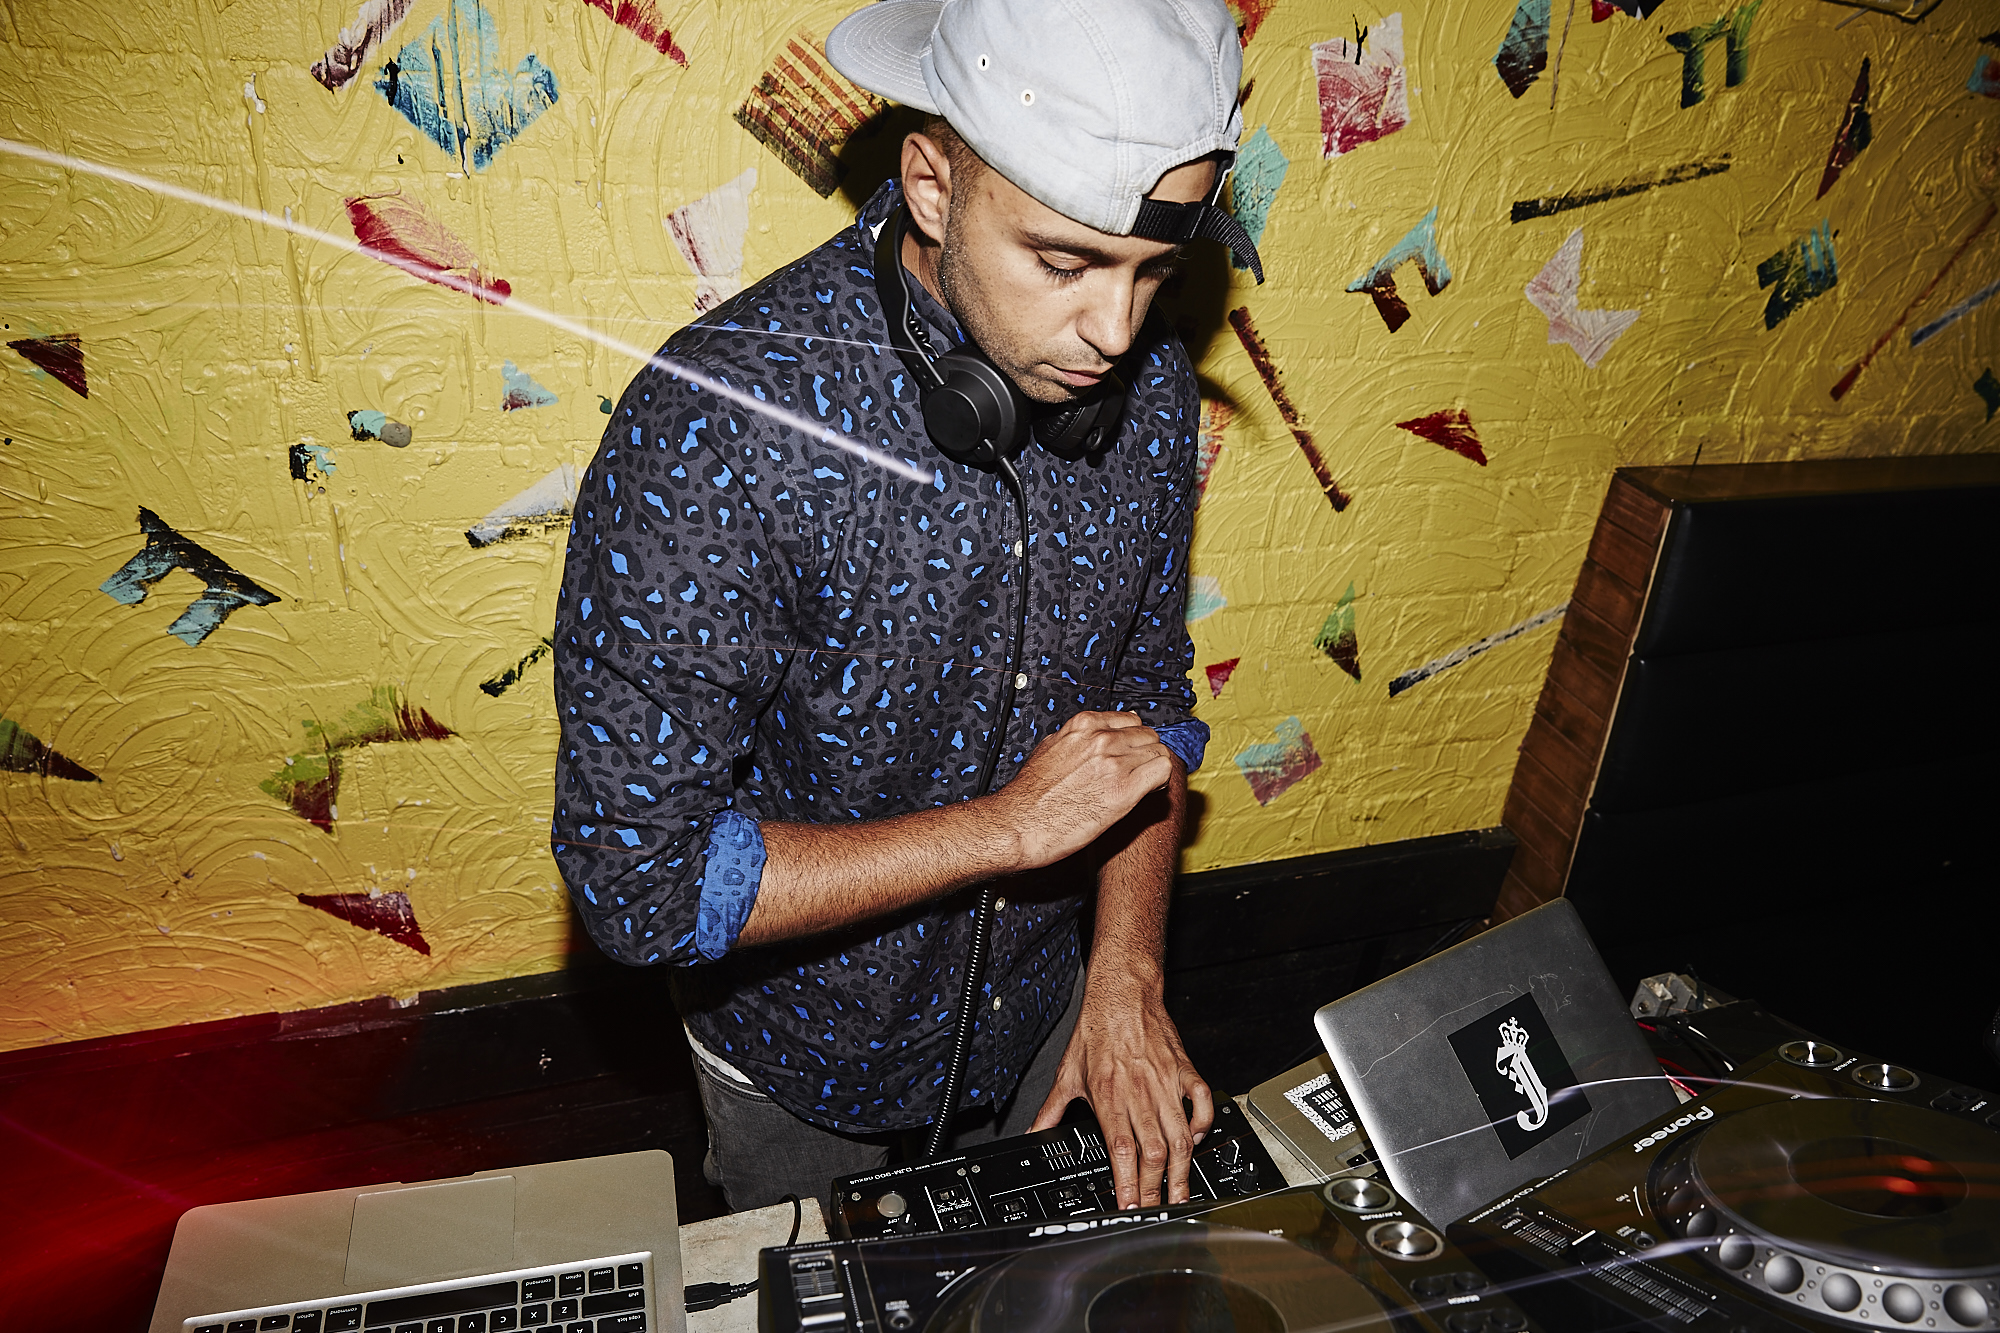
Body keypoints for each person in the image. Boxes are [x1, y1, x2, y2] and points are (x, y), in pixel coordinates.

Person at [550, 0, 1264, 1215]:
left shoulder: (1143, 391)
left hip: (1047, 1025)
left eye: (1154, 272)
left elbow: (1144, 708)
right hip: (803, 1073)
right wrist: (1003, 831)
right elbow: (640, 884)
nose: (1115, 331)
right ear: (931, 186)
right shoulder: (719, 426)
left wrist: (1126, 976)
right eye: (1062, 262)